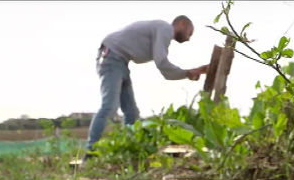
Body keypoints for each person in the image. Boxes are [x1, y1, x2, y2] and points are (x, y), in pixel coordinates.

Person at [83, 15, 208, 161]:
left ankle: (130, 152)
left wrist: (188, 72)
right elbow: (162, 63)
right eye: (189, 33)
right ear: (181, 24)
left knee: (131, 113)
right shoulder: (165, 28)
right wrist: (187, 73)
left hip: (120, 61)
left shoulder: (161, 31)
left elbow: (162, 65)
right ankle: (90, 153)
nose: (188, 39)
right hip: (112, 57)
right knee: (109, 106)